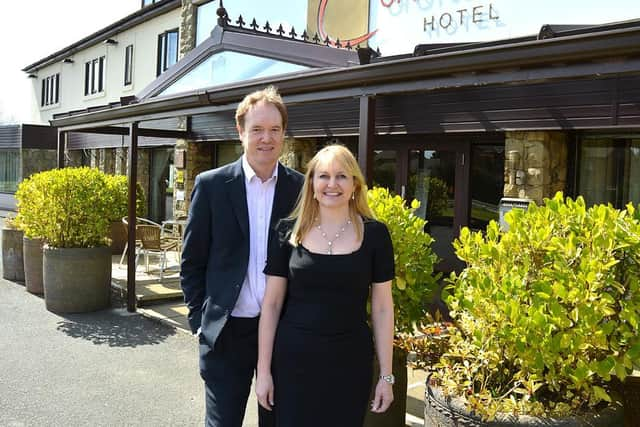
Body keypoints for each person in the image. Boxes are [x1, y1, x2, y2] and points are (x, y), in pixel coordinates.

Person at [180, 86, 304, 427]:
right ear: (240, 132)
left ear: (283, 133)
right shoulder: (211, 186)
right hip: (226, 333)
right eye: (258, 129)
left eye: (275, 130)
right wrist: (199, 321)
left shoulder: (301, 189)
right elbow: (192, 261)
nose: (267, 138)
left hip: (282, 334)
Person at [256, 145, 396, 427]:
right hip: (293, 361)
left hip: (349, 363)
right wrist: (263, 371)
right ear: (311, 183)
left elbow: (382, 308)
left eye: (342, 176)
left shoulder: (376, 236)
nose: (332, 184)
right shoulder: (287, 231)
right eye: (323, 176)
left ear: (355, 184)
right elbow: (271, 305)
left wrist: (386, 376)